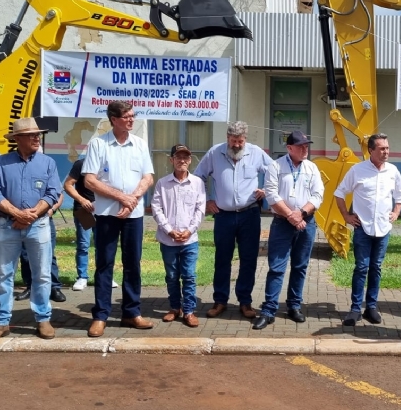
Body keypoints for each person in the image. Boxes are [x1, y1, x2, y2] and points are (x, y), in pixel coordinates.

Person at [0, 118, 61, 344]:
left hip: (39, 225)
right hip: (8, 226)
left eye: (38, 134)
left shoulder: (48, 163)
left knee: (42, 274)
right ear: (17, 139)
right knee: (4, 275)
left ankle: (43, 318)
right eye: (31, 135)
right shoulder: (0, 163)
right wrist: (17, 213)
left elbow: (53, 192)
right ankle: (1, 322)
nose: (37, 138)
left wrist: (31, 215)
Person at [83, 101, 155, 337]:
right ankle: (101, 316)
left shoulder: (140, 144)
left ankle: (131, 313)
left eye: (133, 115)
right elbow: (89, 181)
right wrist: (122, 198)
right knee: (105, 264)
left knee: (133, 263)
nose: (131, 120)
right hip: (107, 215)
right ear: (113, 119)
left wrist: (131, 200)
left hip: (133, 215)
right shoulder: (98, 144)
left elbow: (148, 177)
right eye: (127, 116)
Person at [194, 121, 272, 320]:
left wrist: (266, 190)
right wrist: (207, 200)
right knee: (222, 259)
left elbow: (275, 172)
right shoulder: (215, 153)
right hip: (224, 216)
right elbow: (198, 177)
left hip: (249, 215)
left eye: (240, 141)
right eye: (233, 141)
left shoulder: (256, 153)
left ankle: (245, 302)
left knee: (248, 259)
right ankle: (220, 301)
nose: (236, 145)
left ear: (245, 139)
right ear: (227, 138)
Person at [252, 130, 324, 330]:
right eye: (300, 146)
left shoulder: (312, 167)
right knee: (276, 267)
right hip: (282, 223)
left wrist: (301, 213)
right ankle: (268, 311)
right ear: (289, 148)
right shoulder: (275, 166)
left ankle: (294, 306)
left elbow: (318, 195)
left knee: (300, 266)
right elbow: (272, 195)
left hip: (306, 222)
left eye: (306, 146)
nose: (305, 149)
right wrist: (291, 216)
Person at [334, 133, 401, 326]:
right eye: (382, 149)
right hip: (362, 228)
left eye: (387, 148)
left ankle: (371, 307)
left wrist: (396, 212)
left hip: (383, 229)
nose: (386, 152)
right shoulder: (357, 170)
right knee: (361, 268)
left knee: (376, 268)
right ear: (371, 150)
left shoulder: (393, 171)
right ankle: (355, 309)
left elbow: (400, 195)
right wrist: (346, 216)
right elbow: (339, 193)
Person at [152, 144, 206, 328]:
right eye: (178, 157)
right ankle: (175, 308)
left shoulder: (197, 183)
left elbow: (200, 209)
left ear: (190, 160)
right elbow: (156, 208)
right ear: (171, 160)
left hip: (190, 240)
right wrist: (169, 230)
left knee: (189, 276)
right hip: (168, 240)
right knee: (172, 276)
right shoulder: (162, 183)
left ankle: (189, 311)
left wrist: (190, 230)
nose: (182, 161)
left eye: (185, 157)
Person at [64, 156, 119, 292]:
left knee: (104, 246)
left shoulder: (109, 163)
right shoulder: (81, 164)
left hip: (104, 211)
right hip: (85, 211)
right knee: (83, 245)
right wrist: (82, 200)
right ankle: (82, 277)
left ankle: (105, 276)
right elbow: (68, 185)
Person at [15, 192, 66, 303]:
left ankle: (54, 287)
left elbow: (59, 194)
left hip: (44, 219)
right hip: (22, 219)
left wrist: (51, 210)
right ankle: (30, 287)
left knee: (48, 255)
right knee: (25, 255)